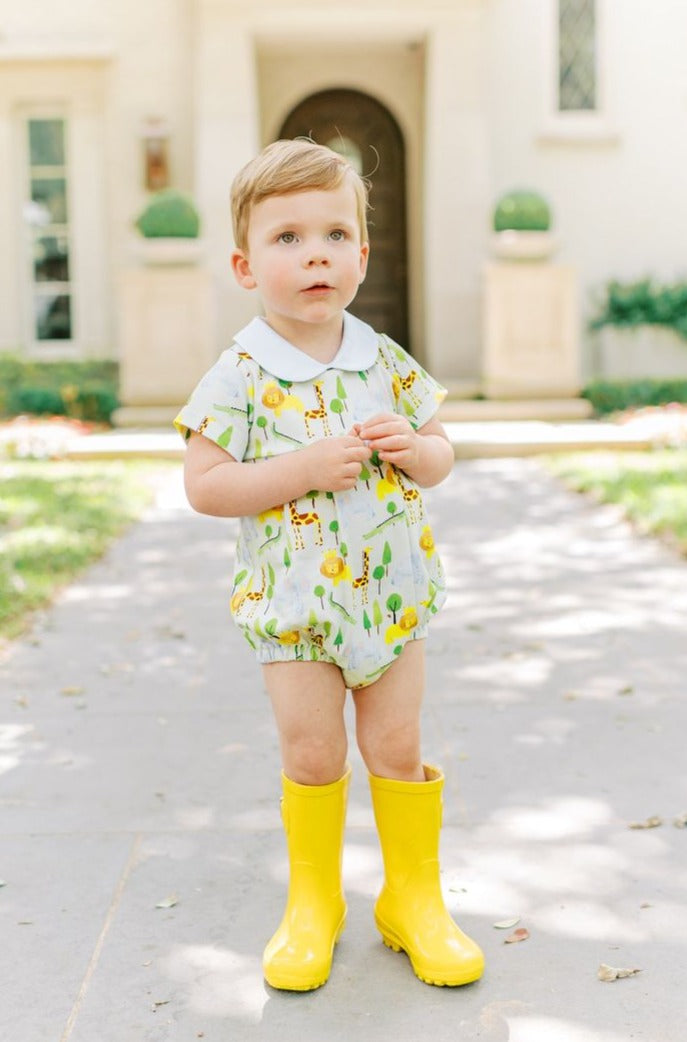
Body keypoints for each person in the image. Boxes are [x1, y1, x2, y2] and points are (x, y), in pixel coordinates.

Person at [174, 138, 484, 992]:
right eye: (287, 239)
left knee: (396, 743)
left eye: (334, 235)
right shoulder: (238, 374)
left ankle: (412, 897)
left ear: (361, 254)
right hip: (295, 607)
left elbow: (443, 451)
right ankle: (315, 902)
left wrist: (417, 452)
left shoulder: (381, 356)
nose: (315, 253)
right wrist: (299, 471)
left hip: (390, 597)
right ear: (244, 265)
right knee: (312, 752)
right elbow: (205, 485)